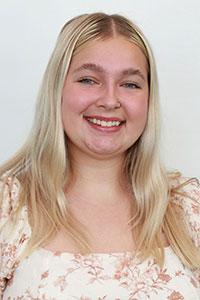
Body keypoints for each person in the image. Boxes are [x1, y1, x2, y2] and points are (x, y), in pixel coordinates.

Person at [0, 12, 199, 299]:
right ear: (58, 89)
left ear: (148, 98)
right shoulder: (9, 208)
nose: (109, 100)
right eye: (89, 80)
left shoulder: (188, 209)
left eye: (130, 84)